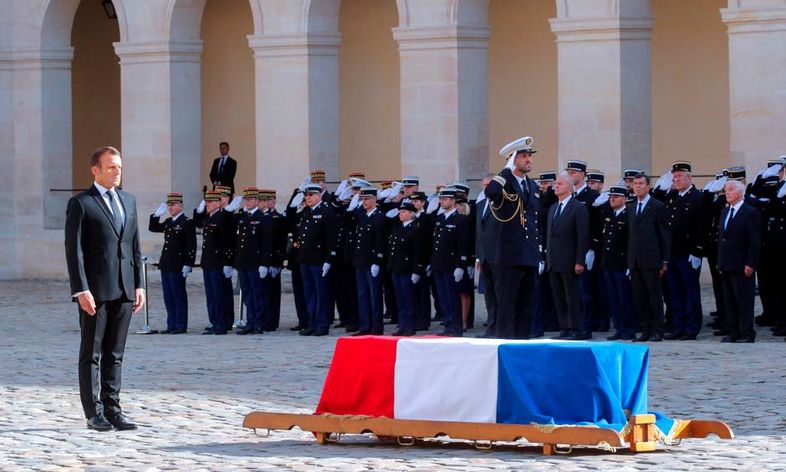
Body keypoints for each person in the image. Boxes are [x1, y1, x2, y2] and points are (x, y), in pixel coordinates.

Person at [65, 146, 144, 432]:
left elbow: (134, 246)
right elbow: (74, 252)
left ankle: (113, 409)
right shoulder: (82, 203)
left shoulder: (128, 200)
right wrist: (80, 289)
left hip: (124, 289)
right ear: (95, 169)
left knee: (116, 354)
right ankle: (93, 412)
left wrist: (139, 284)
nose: (117, 172)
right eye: (111, 167)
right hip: (95, 292)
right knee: (92, 353)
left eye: (119, 167)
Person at [484, 136, 543, 339]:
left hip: (529, 255)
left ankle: (522, 344)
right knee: (507, 307)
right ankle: (506, 345)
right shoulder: (504, 182)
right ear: (512, 159)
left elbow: (535, 220)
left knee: (526, 307)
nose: (529, 160)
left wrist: (540, 252)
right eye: (523, 156)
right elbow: (490, 192)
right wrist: (505, 171)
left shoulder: (533, 186)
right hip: (509, 256)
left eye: (529, 156)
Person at [652, 161, 704, 340]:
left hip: (688, 253)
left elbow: (700, 226)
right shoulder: (672, 197)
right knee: (674, 293)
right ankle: (678, 325)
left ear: (689, 177)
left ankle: (691, 328)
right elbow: (659, 213)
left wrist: (698, 251)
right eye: (675, 177)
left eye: (680, 176)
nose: (677, 180)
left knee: (690, 293)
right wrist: (660, 189)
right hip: (672, 253)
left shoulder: (698, 197)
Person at [546, 172, 589, 340]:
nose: (555, 186)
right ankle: (564, 327)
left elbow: (582, 236)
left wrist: (579, 261)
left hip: (569, 261)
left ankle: (576, 329)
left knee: (572, 297)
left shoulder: (578, 208)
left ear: (570, 187)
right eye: (556, 184)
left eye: (560, 184)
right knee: (559, 297)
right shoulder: (553, 208)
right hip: (554, 261)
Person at [627, 173, 670, 342]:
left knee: (654, 296)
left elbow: (664, 235)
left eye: (641, 184)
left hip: (652, 259)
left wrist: (664, 260)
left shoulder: (657, 206)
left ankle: (657, 329)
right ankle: (645, 328)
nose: (637, 186)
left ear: (647, 186)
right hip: (635, 260)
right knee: (640, 296)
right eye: (635, 184)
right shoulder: (631, 207)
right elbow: (630, 235)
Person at [717, 179, 761, 343]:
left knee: (744, 301)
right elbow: (722, 239)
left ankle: (747, 332)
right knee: (729, 301)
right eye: (726, 190)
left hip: (742, 264)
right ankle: (734, 330)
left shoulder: (750, 212)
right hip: (727, 263)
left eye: (730, 189)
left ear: (740, 192)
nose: (727, 192)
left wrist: (751, 263)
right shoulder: (725, 211)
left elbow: (754, 242)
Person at [148, 192, 196, 335]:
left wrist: (189, 263)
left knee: (178, 295)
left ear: (180, 206)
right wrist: (156, 215)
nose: (170, 208)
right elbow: (154, 228)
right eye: (169, 205)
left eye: (173, 205)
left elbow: (191, 245)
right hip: (167, 263)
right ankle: (171, 324)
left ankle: (181, 325)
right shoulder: (169, 222)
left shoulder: (187, 222)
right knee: (168, 296)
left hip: (178, 264)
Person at [295, 184, 339, 336]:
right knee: (309, 293)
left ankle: (322, 324)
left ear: (319, 195)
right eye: (306, 195)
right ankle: (312, 322)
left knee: (321, 294)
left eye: (310, 195)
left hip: (319, 260)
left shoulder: (327, 212)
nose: (307, 198)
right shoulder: (306, 211)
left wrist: (329, 259)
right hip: (305, 259)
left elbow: (331, 239)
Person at [428, 187, 471, 337]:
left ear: (453, 201)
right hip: (439, 264)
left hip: (452, 265)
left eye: (445, 199)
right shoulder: (440, 219)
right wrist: (431, 262)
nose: (442, 201)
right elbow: (435, 243)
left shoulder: (460, 219)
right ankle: (448, 325)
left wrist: (461, 265)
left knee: (452, 298)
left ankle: (456, 327)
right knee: (442, 297)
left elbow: (463, 245)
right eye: (441, 199)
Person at [600, 185, 636, 340]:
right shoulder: (610, 215)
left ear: (625, 199)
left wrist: (630, 264)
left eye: (616, 196)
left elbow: (630, 242)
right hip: (609, 263)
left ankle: (628, 329)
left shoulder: (628, 215)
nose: (612, 199)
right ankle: (619, 328)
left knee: (625, 299)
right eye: (611, 197)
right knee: (613, 298)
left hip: (622, 264)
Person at [233, 188, 271, 335]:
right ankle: (250, 321)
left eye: (250, 200)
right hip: (243, 262)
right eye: (246, 200)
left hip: (256, 262)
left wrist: (264, 263)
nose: (247, 203)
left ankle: (259, 323)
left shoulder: (262, 217)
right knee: (247, 294)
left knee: (257, 294)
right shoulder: (243, 217)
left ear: (256, 201)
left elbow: (267, 243)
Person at [351, 187, 387, 336]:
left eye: (367, 199)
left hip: (372, 262)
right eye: (362, 199)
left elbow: (381, 241)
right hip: (361, 261)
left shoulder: (380, 217)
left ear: (375, 200)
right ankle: (365, 325)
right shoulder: (362, 216)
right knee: (362, 295)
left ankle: (376, 327)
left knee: (375, 295)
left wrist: (377, 261)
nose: (364, 202)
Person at [199, 190, 235, 335]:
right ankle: (215, 321)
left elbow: (228, 242)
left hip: (218, 262)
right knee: (211, 295)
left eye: (211, 202)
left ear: (219, 203)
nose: (208, 204)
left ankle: (222, 323)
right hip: (208, 261)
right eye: (207, 202)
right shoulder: (208, 219)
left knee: (220, 294)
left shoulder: (222, 218)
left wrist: (228, 262)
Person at [387, 201, 424, 336]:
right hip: (396, 268)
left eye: (404, 212)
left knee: (408, 299)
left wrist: (416, 270)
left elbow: (417, 252)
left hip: (408, 269)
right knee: (400, 299)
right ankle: (402, 325)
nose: (401, 214)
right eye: (400, 212)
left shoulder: (415, 229)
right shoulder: (398, 228)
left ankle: (410, 326)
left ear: (411, 214)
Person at [475, 173, 500, 338]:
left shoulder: (502, 204)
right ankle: (491, 327)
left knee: (500, 294)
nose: (485, 189)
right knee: (489, 295)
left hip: (498, 256)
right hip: (484, 257)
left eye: (488, 185)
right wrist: (478, 256)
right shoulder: (481, 204)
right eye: (483, 186)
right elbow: (478, 232)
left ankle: (500, 327)